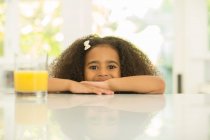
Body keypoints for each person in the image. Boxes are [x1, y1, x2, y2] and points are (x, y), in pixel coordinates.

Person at [48, 34, 165, 94]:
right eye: (93, 67)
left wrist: (109, 85)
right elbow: (38, 85)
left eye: (111, 67)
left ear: (124, 67)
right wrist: (70, 85)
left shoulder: (128, 88)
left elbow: (158, 84)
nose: (103, 73)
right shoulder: (77, 87)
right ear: (80, 69)